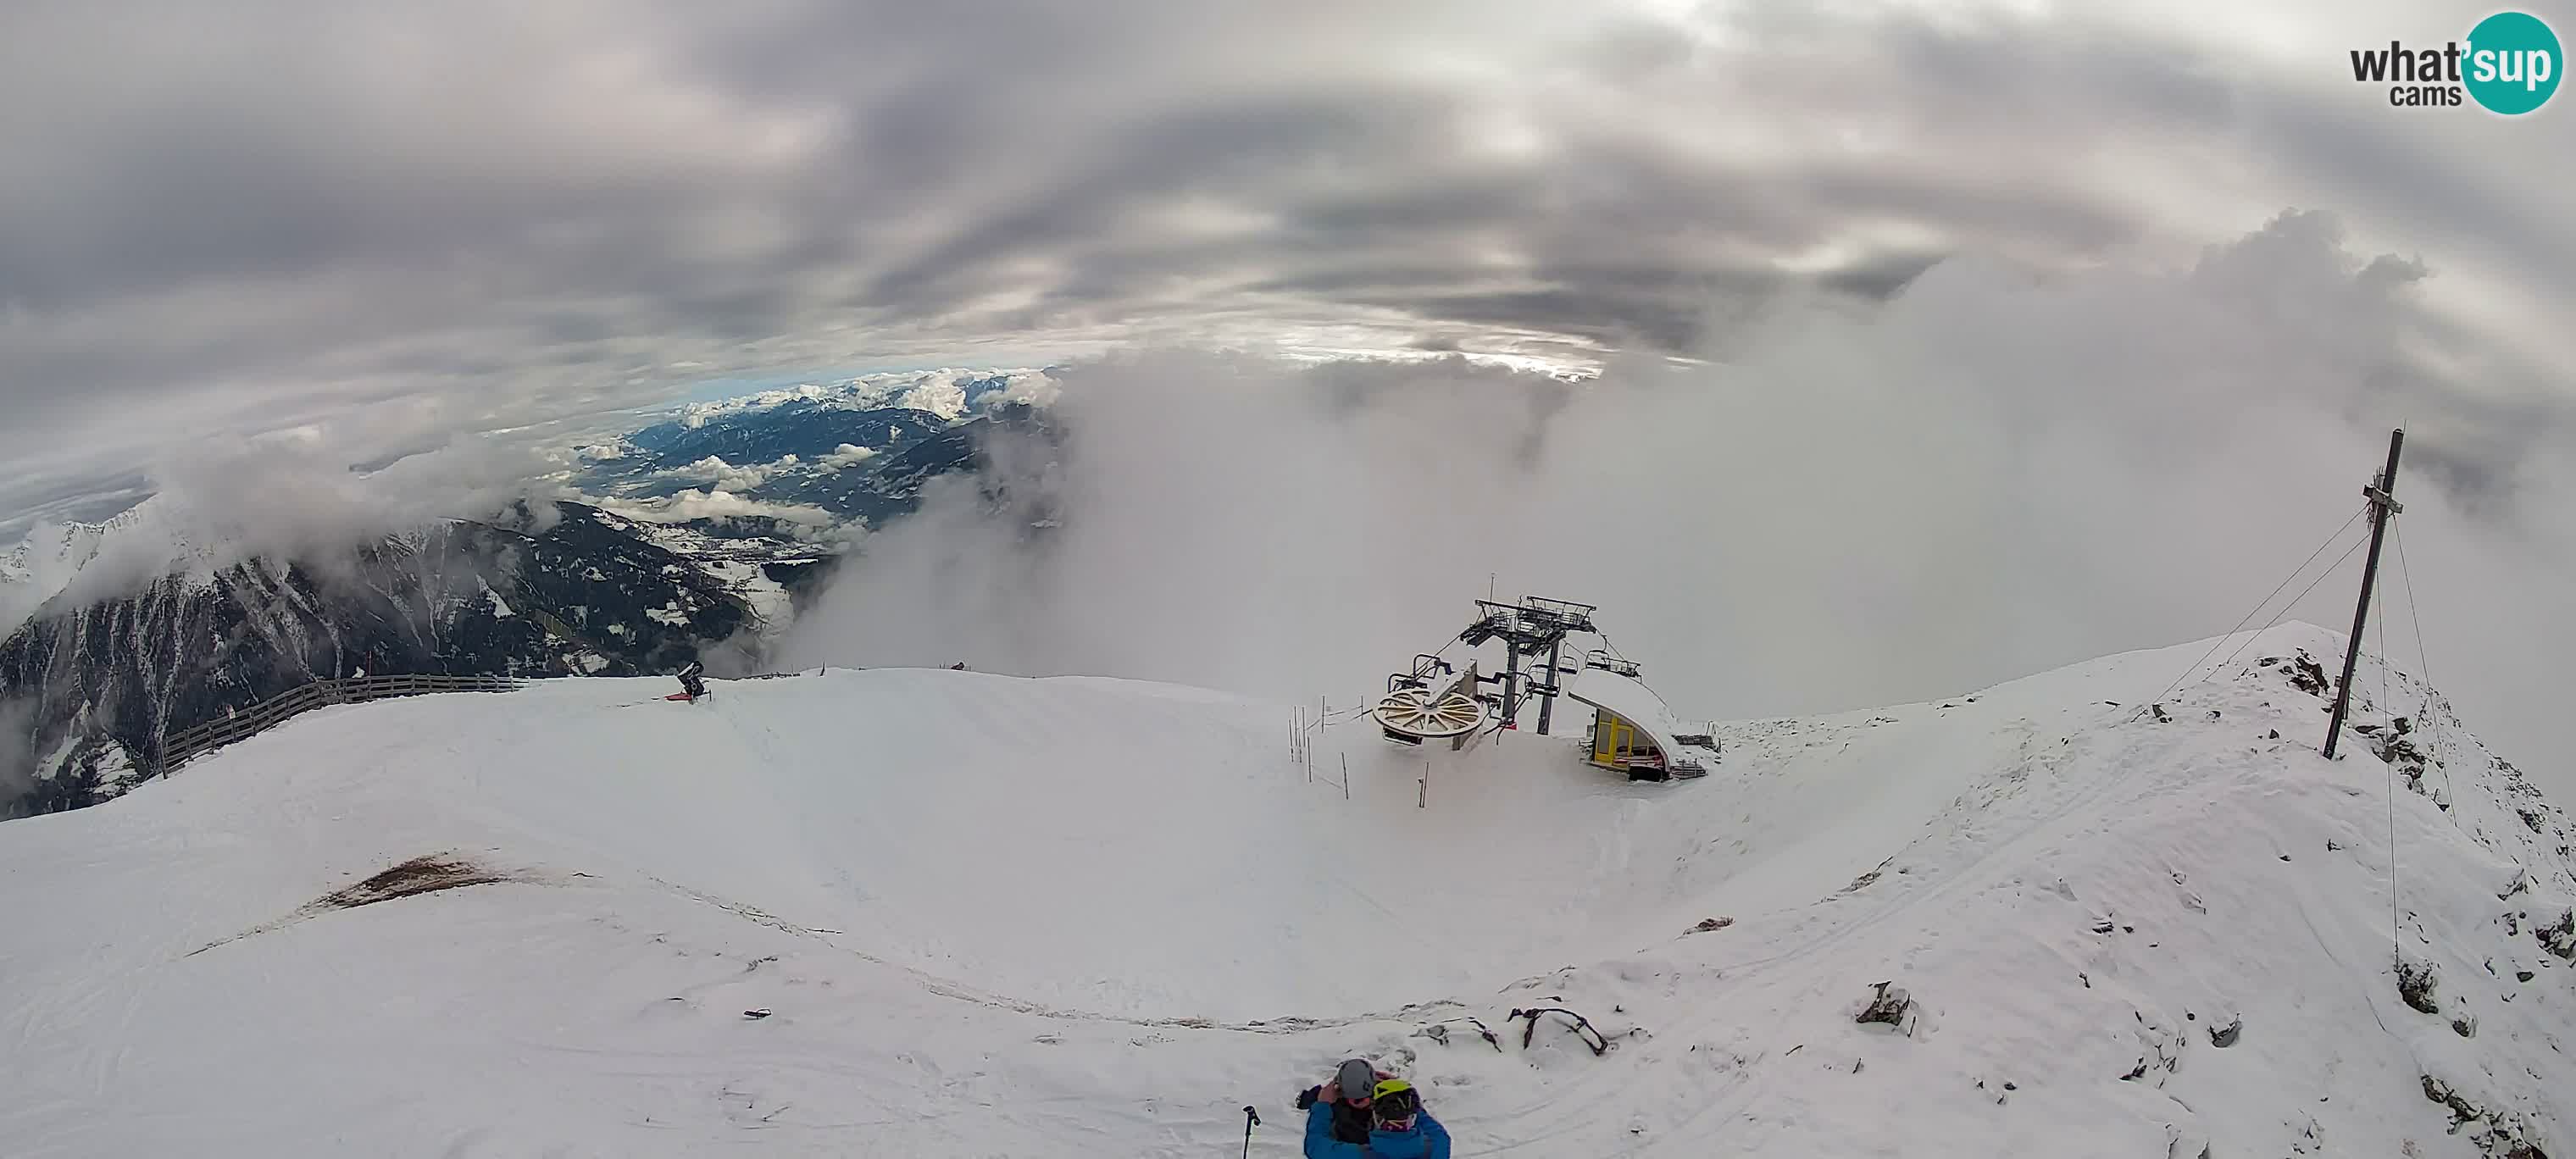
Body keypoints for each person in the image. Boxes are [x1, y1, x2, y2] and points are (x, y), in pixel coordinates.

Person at [1301, 1073, 1450, 1158]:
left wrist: (1323, 1105)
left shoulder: (1356, 1155)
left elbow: (1315, 1145)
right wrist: (1399, 1092)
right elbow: (1435, 1131)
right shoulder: (1437, 1147)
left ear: (1376, 1117)